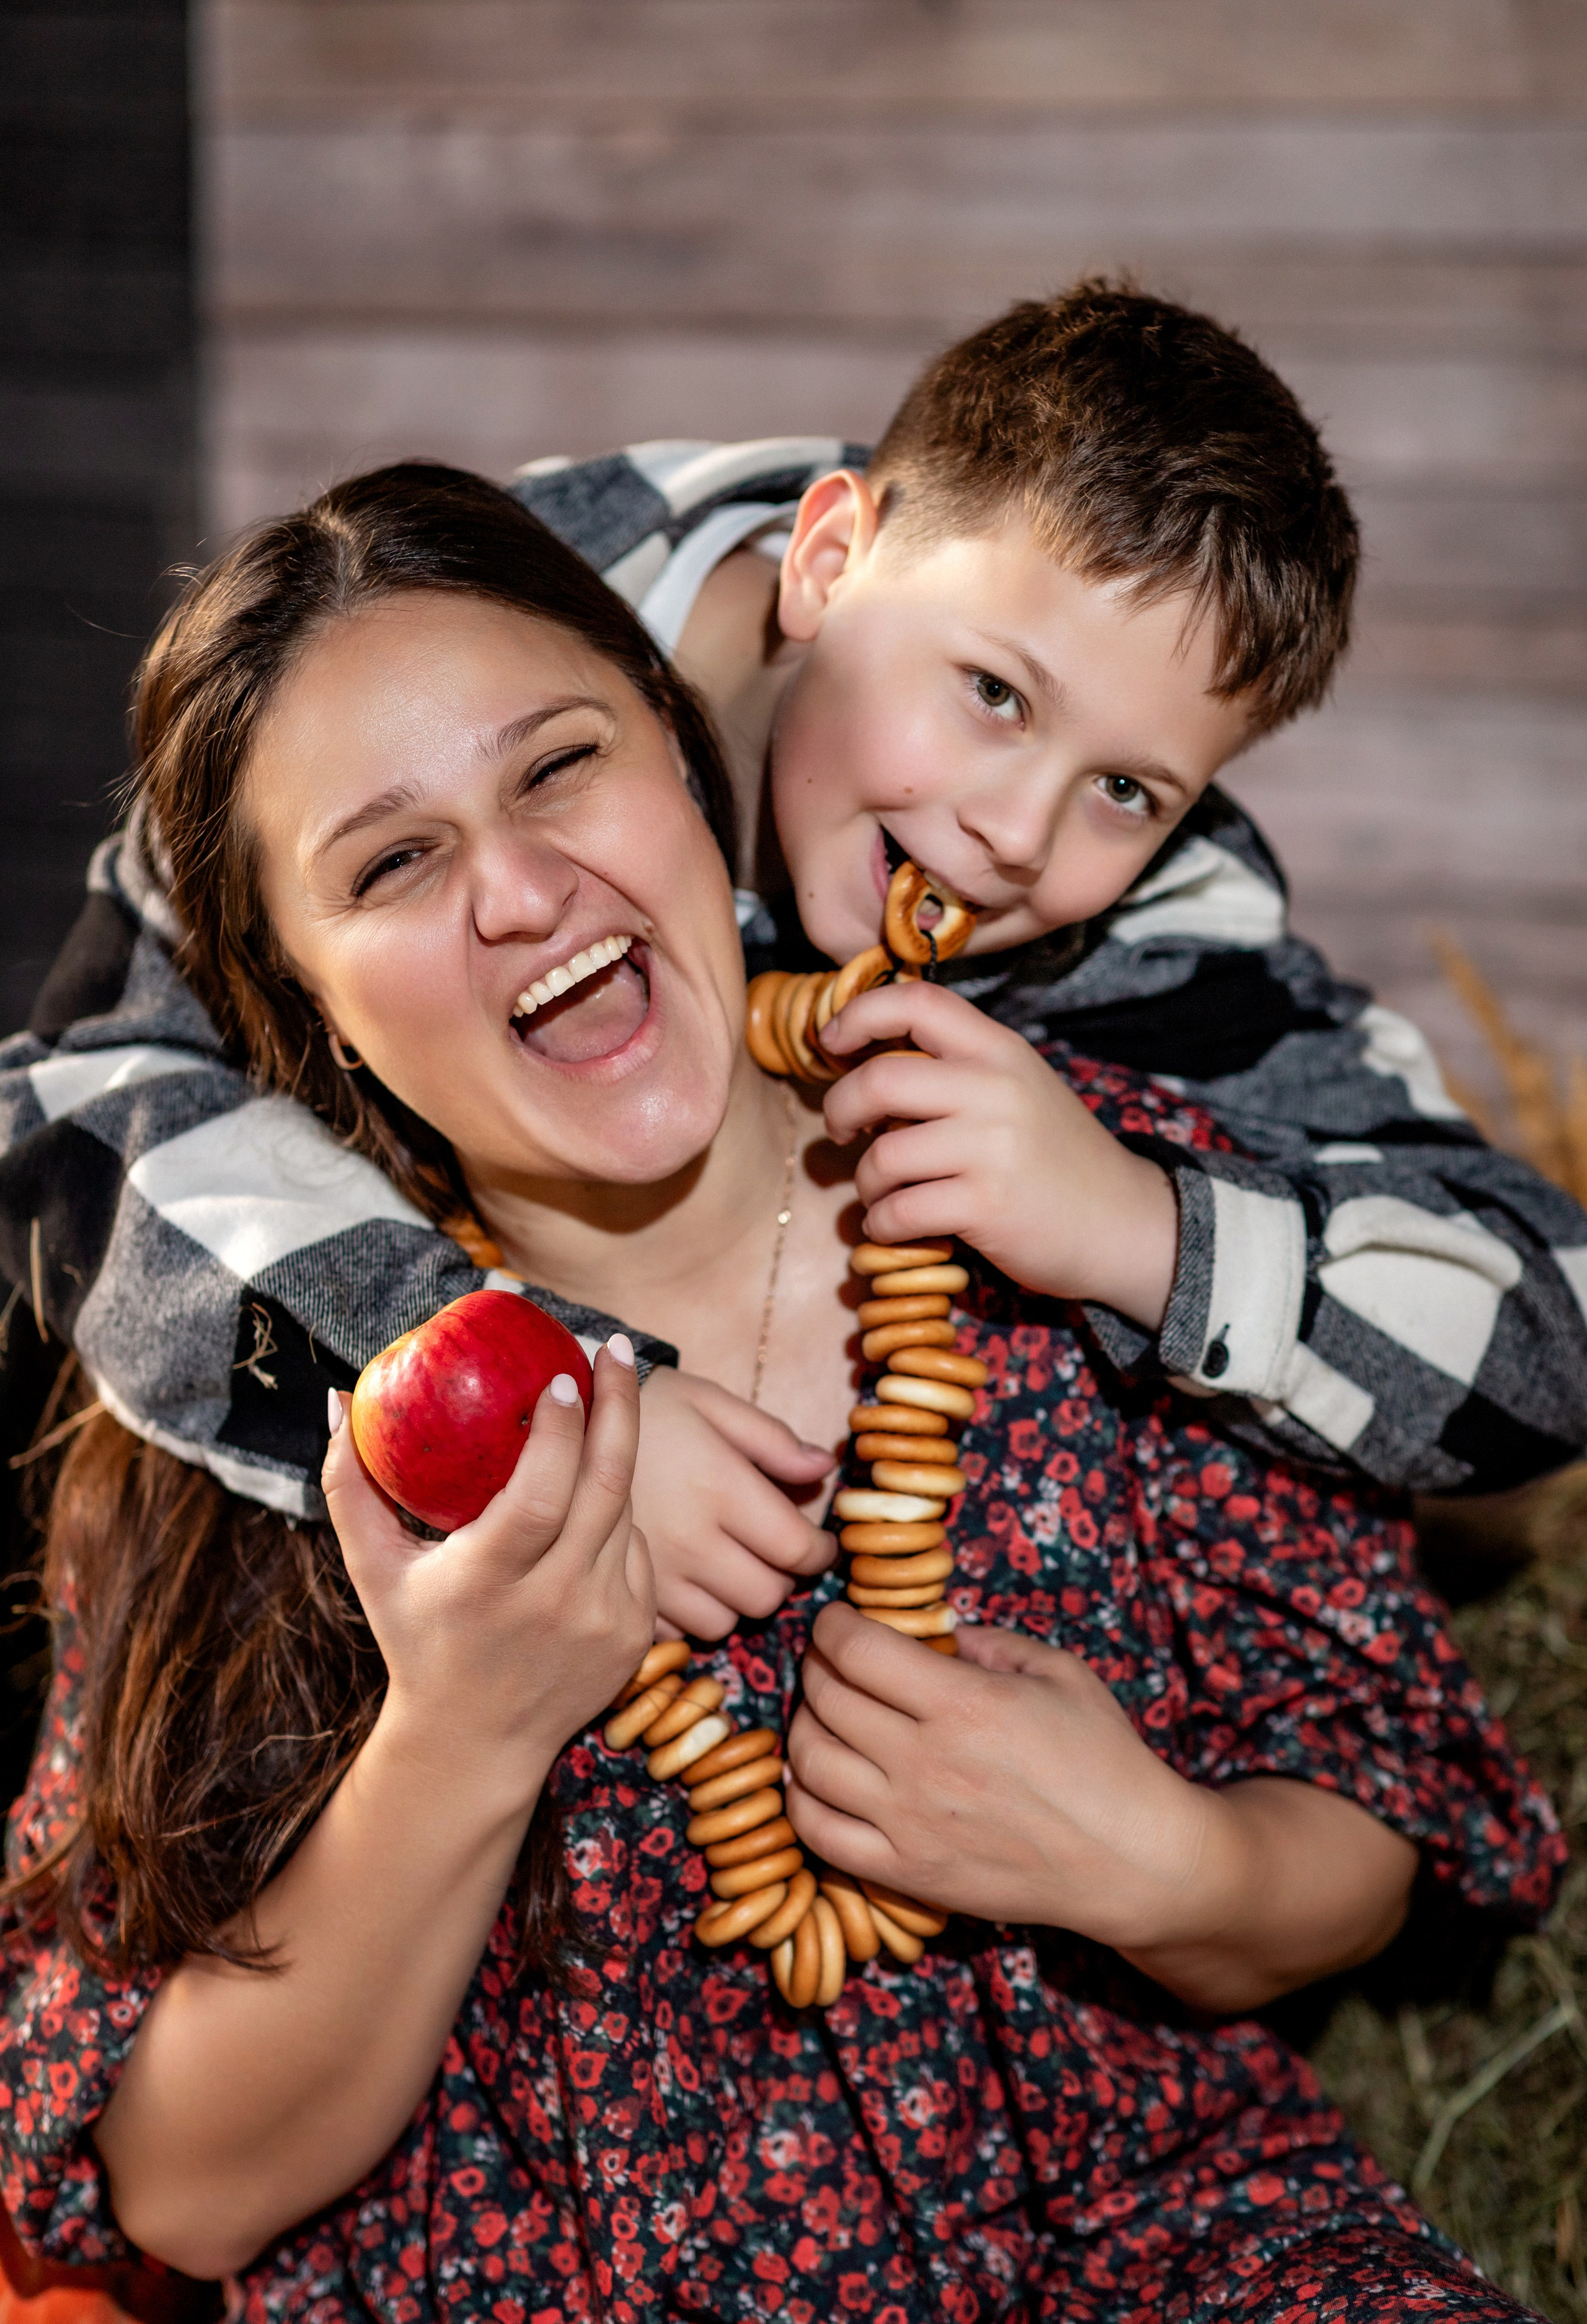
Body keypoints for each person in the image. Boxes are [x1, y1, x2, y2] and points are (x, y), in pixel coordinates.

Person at [0, 469, 1563, 2318]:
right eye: (391, 862)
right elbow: (175, 2191)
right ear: (308, 1009)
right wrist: (465, 1737)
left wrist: (1165, 1853)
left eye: (559, 766)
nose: (515, 890)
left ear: (688, 769)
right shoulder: (253, 1408)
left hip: (1171, 2246)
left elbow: (1373, 1836)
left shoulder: (1068, 1197)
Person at [7, 286, 1585, 1659]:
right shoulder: (423, 652)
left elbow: (1549, 1328)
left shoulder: (1152, 919)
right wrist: (544, 1400)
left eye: (1130, 790)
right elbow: (72, 1104)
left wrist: (1140, 1227)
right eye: (990, 694)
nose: (1018, 835)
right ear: (829, 558)